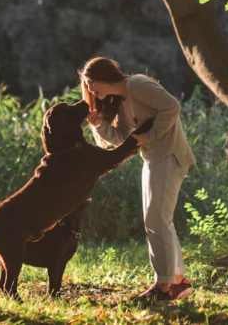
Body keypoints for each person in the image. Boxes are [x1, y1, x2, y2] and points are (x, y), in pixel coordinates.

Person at [79, 57, 196, 301]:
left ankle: (162, 288)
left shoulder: (137, 84)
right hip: (154, 159)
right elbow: (122, 139)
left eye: (91, 83)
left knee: (156, 222)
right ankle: (177, 282)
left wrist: (150, 136)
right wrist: (100, 125)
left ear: (103, 77)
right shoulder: (122, 101)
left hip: (168, 156)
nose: (90, 90)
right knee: (160, 221)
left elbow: (172, 107)